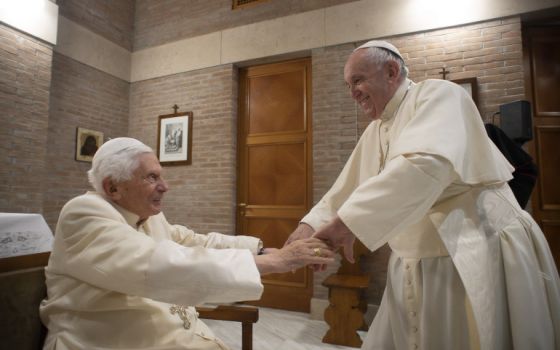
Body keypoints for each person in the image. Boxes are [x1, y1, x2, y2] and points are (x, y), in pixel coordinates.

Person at [285, 40, 560, 349]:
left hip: (473, 248)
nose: (353, 93)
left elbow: (425, 165)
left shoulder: (439, 95)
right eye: (349, 85)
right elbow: (347, 187)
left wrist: (345, 224)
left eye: (358, 80)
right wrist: (309, 226)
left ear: (391, 71)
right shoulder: (376, 129)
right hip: (414, 261)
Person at [40, 137, 334, 350]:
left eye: (162, 176)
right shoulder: (83, 213)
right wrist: (276, 263)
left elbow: (192, 241)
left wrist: (261, 250)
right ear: (112, 187)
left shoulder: (145, 214)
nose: (164, 186)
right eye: (151, 177)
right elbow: (158, 264)